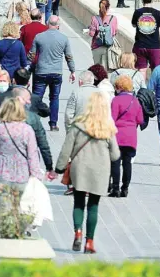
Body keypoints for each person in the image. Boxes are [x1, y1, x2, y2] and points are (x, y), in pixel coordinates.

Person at [54, 92, 120, 255]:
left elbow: (66, 148)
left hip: (80, 168)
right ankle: (89, 242)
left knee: (78, 202)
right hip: (100, 171)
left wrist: (59, 168)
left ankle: (77, 232)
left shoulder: (78, 125)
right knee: (93, 206)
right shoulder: (108, 128)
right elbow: (115, 155)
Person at [0, 98, 43, 213]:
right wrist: (36, 174)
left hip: (1, 169)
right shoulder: (27, 130)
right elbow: (32, 154)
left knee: (3, 205)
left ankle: (5, 227)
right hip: (21, 171)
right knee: (17, 205)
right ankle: (16, 228)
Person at [29, 16, 76, 131]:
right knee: (54, 98)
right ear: (58, 25)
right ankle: (53, 124)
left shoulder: (39, 37)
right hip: (56, 72)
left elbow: (31, 56)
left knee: (37, 97)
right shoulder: (64, 38)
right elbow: (69, 56)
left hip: (41, 71)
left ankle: (34, 122)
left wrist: (27, 70)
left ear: (47, 23)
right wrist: (72, 71)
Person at [109, 76, 144, 198]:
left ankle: (115, 189)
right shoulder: (135, 101)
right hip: (131, 137)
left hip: (117, 136)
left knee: (115, 163)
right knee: (127, 163)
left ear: (119, 87)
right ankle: (125, 188)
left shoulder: (116, 100)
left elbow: (112, 119)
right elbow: (140, 119)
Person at [131, 0, 160, 81]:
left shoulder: (137, 12)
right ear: (152, 0)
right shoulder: (158, 13)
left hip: (140, 46)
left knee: (141, 70)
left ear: (142, 0)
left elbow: (133, 25)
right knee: (156, 70)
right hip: (154, 47)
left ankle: (142, 90)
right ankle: (154, 92)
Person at [88, 0, 118, 71]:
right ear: (108, 7)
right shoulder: (113, 19)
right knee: (107, 70)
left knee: (98, 70)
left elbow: (92, 34)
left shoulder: (94, 18)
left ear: (99, 7)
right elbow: (114, 32)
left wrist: (90, 29)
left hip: (97, 47)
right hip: (109, 48)